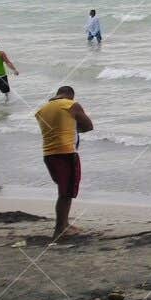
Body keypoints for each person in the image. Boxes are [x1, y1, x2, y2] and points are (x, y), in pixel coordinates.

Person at [35, 86, 92, 241]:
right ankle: (60, 229)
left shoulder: (43, 109)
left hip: (48, 155)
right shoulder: (70, 105)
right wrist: (75, 128)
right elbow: (88, 126)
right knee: (66, 193)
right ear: (70, 95)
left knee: (63, 190)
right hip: (66, 153)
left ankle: (65, 224)